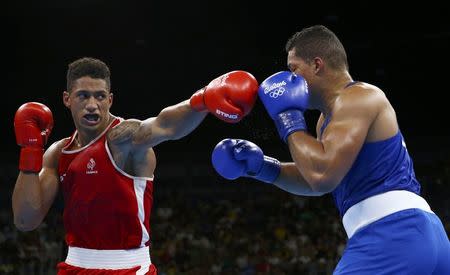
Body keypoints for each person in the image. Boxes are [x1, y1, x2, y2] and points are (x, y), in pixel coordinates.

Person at [211, 25, 450, 274]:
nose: (290, 79)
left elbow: (321, 176)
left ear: (317, 64)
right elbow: (315, 178)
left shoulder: (357, 97)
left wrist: (288, 118)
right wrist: (264, 167)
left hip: (393, 234)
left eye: (294, 69)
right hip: (415, 234)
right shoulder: (326, 120)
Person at [12, 57, 259, 274]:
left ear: (110, 99)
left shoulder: (123, 138)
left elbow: (164, 126)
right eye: (83, 96)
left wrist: (202, 99)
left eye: (99, 96)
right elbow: (25, 220)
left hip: (127, 268)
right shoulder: (58, 152)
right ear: (67, 99)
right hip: (73, 265)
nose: (92, 105)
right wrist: (31, 151)